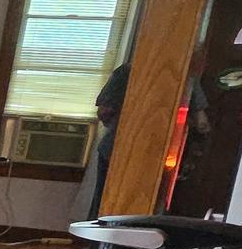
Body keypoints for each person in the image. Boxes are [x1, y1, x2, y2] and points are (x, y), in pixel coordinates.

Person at [88, 57, 210, 220]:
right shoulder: (186, 78)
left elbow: (104, 111)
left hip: (115, 146)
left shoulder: (126, 71)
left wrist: (120, 126)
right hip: (160, 153)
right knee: (148, 204)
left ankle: (100, 232)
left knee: (105, 200)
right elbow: (202, 124)